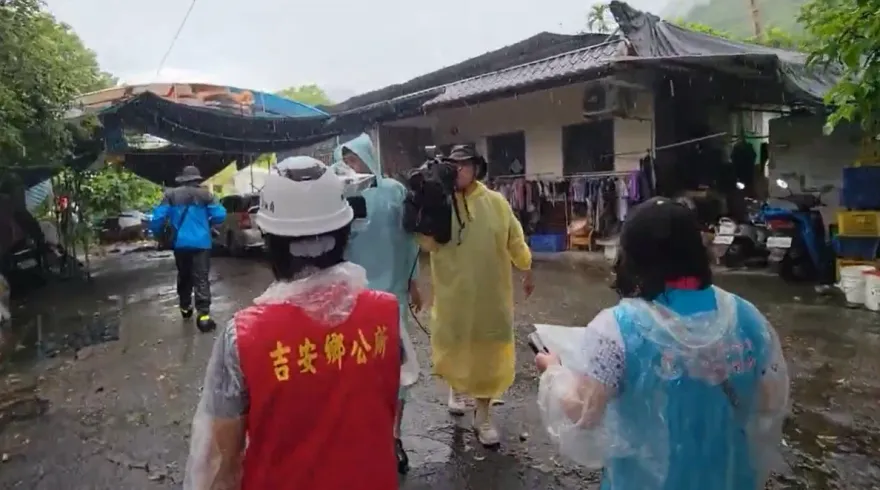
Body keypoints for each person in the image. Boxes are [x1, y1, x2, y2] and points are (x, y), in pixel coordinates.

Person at [535, 197, 789, 489]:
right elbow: (769, 402)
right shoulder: (746, 315)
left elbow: (584, 415)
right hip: (731, 478)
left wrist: (554, 372)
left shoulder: (616, 329)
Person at [183, 156, 402, 490]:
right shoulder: (387, 313)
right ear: (346, 231)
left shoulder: (243, 336)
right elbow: (391, 406)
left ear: (269, 239)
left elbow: (220, 461)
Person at [417, 145, 534, 447]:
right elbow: (426, 244)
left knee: (488, 356)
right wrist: (424, 208)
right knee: (454, 346)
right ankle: (457, 389)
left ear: (476, 168)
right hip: (453, 295)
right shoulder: (440, 203)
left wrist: (526, 266)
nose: (459, 171)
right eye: (453, 165)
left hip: (490, 297)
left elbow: (514, 237)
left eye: (465, 165)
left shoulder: (495, 202)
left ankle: (483, 417)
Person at [332, 133, 422, 473]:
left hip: (392, 297)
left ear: (370, 158)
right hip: (352, 297)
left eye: (356, 158)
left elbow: (409, 237)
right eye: (346, 160)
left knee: (396, 369)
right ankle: (361, 434)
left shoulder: (394, 192)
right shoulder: (339, 195)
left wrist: (414, 281)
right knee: (355, 368)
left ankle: (393, 436)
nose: (352, 166)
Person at [150, 165, 226, 332]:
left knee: (184, 276)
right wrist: (208, 221)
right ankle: (204, 316)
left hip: (180, 245)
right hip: (202, 244)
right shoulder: (206, 194)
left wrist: (159, 235)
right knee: (201, 278)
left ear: (183, 180)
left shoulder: (170, 195)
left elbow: (157, 219)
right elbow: (221, 214)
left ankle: (185, 308)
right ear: (197, 179)